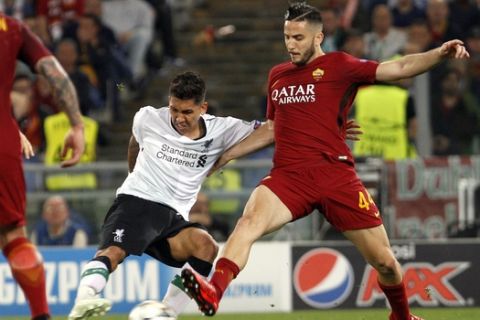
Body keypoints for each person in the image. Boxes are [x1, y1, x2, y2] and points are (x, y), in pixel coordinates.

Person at [180, 2, 469, 320]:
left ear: (318, 37)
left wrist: (439, 53)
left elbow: (397, 68)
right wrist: (227, 154)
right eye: (287, 37)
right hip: (289, 177)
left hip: (335, 176)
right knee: (248, 223)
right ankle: (214, 291)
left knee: (385, 262)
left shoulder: (341, 65)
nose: (291, 44)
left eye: (298, 38)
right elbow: (273, 129)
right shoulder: (278, 76)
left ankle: (401, 315)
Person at [67, 71, 362, 320]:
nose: (179, 118)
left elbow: (274, 129)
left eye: (187, 112)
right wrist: (133, 175)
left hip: (173, 216)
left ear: (203, 108)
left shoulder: (222, 130)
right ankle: (82, 301)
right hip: (138, 201)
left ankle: (165, 312)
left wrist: (329, 129)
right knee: (114, 252)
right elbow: (135, 142)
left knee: (205, 247)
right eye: (174, 109)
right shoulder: (147, 117)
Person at [0, 12, 85, 320]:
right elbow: (55, 73)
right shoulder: (10, 27)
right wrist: (76, 125)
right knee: (14, 237)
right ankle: (42, 315)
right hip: (2, 138)